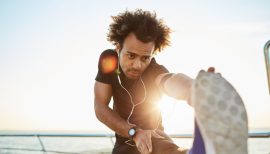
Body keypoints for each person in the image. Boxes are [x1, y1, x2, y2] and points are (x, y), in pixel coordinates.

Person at [94, 9, 248, 154]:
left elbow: (169, 81)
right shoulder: (109, 61)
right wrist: (133, 132)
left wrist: (194, 90)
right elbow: (100, 107)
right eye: (131, 55)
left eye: (145, 58)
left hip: (154, 137)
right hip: (124, 141)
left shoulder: (154, 70)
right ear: (117, 48)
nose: (138, 65)